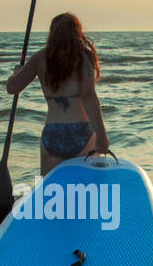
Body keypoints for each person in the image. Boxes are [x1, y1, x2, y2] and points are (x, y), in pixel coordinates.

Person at [6, 12, 110, 174]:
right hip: (82, 132)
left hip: (52, 134)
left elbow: (12, 87)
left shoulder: (40, 57)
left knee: (50, 185)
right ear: (78, 33)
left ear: (52, 32)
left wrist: (17, 72)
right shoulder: (83, 57)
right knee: (84, 184)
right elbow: (89, 97)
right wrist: (102, 135)